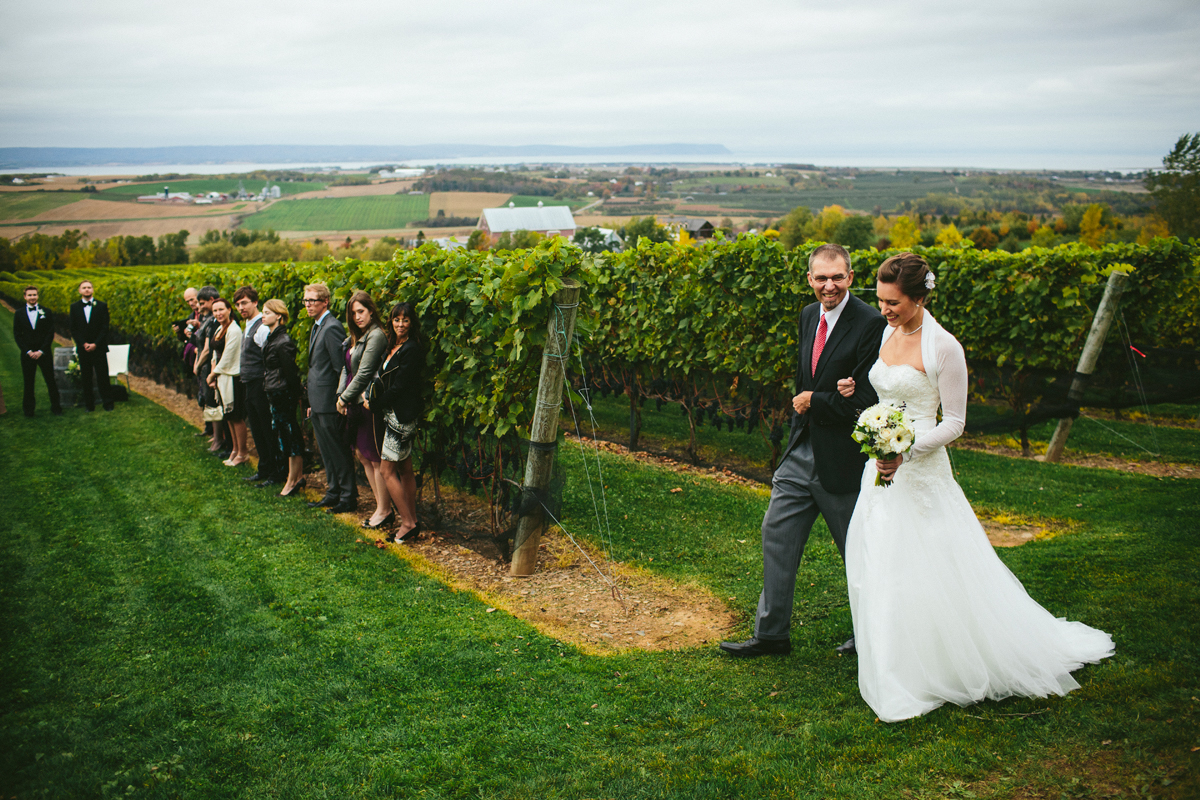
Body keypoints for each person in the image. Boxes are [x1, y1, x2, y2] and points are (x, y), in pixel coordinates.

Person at [836, 252, 1114, 722]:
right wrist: (863, 408)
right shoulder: (887, 331)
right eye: (881, 301)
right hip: (880, 466)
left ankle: (942, 663)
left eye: (894, 303)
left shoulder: (944, 347)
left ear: (920, 298)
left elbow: (957, 423)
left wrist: (906, 449)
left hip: (920, 471)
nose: (884, 310)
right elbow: (887, 394)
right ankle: (893, 656)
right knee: (881, 558)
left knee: (930, 564)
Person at [720, 244, 886, 658]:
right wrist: (807, 410)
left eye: (837, 277)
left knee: (857, 551)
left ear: (850, 276)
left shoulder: (870, 322)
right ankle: (771, 635)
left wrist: (815, 400)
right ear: (809, 279)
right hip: (800, 450)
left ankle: (871, 636)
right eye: (820, 278)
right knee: (776, 533)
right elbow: (805, 380)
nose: (829, 285)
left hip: (843, 458)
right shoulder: (808, 315)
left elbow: (866, 399)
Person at [366, 302, 425, 542]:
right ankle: (412, 518)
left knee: (387, 470)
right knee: (405, 469)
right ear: (391, 321)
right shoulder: (394, 345)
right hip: (392, 414)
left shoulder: (412, 349)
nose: (400, 324)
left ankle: (408, 524)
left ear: (412, 323)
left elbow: (400, 386)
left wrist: (374, 403)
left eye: (406, 320)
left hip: (400, 418)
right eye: (396, 319)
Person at [336, 291, 391, 529]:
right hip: (353, 402)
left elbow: (365, 372)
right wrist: (341, 394)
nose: (357, 317)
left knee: (374, 457)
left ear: (371, 310)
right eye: (353, 313)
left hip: (367, 403)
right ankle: (380, 505)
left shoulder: (376, 335)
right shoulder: (355, 337)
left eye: (361, 311)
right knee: (361, 454)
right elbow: (346, 368)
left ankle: (385, 510)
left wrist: (345, 398)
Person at [304, 283, 357, 514]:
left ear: (325, 301)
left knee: (337, 449)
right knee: (326, 449)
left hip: (329, 401)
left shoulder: (332, 327)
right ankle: (333, 491)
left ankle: (348, 496)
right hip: (317, 401)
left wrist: (340, 400)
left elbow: (340, 368)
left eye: (313, 300)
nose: (308, 305)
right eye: (306, 301)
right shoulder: (317, 326)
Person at [234, 285, 285, 487]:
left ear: (255, 302)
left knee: (266, 428)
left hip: (260, 384)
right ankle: (264, 468)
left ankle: (275, 471)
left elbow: (269, 358)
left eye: (244, 303)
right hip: (249, 383)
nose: (241, 307)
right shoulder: (248, 325)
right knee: (255, 428)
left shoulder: (262, 327)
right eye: (238, 304)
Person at [261, 299, 307, 497]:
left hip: (283, 394)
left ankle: (293, 479)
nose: (263, 315)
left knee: (290, 435)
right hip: (274, 391)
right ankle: (293, 477)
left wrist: (294, 396)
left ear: (278, 315)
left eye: (267, 312)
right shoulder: (272, 338)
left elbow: (290, 372)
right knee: (283, 435)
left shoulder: (283, 341)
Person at [207, 297, 249, 466]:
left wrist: (213, 375)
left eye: (221, 310)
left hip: (233, 378)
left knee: (236, 416)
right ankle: (234, 450)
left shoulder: (234, 330)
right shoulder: (220, 328)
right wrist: (213, 372)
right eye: (215, 311)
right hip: (222, 377)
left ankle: (242, 452)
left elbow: (228, 356)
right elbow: (215, 355)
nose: (218, 313)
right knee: (229, 416)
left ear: (229, 310)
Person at [12, 285, 63, 418]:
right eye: (29, 295)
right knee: (28, 382)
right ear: (25, 297)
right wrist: (28, 351)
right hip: (27, 354)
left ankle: (56, 407)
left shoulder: (46, 311)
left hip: (43, 352)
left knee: (50, 380)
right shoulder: (19, 314)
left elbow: (50, 332)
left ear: (38, 296)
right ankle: (29, 411)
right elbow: (17, 335)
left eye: (34, 295)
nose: (32, 297)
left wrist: (41, 350)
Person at [69, 280, 115, 412]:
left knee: (103, 376)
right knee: (86, 377)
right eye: (84, 288)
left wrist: (96, 343)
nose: (87, 290)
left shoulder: (101, 306)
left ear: (93, 290)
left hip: (99, 347)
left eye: (89, 287)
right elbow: (73, 329)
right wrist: (83, 343)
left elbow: (105, 327)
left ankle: (108, 403)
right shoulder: (74, 307)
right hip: (84, 349)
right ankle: (89, 404)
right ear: (80, 291)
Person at [191, 286, 219, 443]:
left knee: (212, 400)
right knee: (207, 399)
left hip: (209, 365)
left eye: (202, 304)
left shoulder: (212, 321)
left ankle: (217, 436)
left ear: (212, 300)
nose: (199, 307)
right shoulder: (205, 320)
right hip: (204, 365)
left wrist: (198, 364)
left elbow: (208, 349)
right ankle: (211, 431)